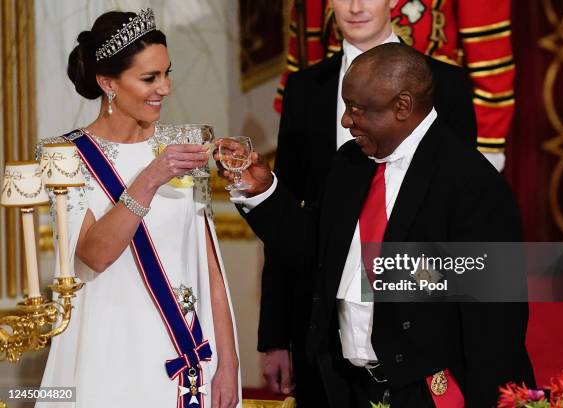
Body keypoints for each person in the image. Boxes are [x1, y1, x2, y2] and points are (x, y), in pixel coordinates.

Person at [231, 43, 534, 407]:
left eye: (357, 109)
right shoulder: (349, 163)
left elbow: (494, 326)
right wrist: (265, 193)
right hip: (345, 389)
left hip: (429, 395)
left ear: (402, 106)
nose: (345, 120)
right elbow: (316, 251)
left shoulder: (472, 185)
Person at [258, 0, 476, 405]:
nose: (356, 7)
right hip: (323, 325)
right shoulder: (305, 89)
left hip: (417, 331)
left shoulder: (446, 85)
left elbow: (463, 222)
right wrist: (276, 336)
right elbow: (291, 220)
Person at [36, 10, 240, 408]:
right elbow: (94, 254)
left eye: (167, 73)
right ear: (108, 83)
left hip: (191, 353)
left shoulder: (185, 143)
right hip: (111, 356)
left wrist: (229, 361)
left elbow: (210, 265)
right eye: (149, 78)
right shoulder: (63, 157)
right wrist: (150, 177)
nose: (164, 88)